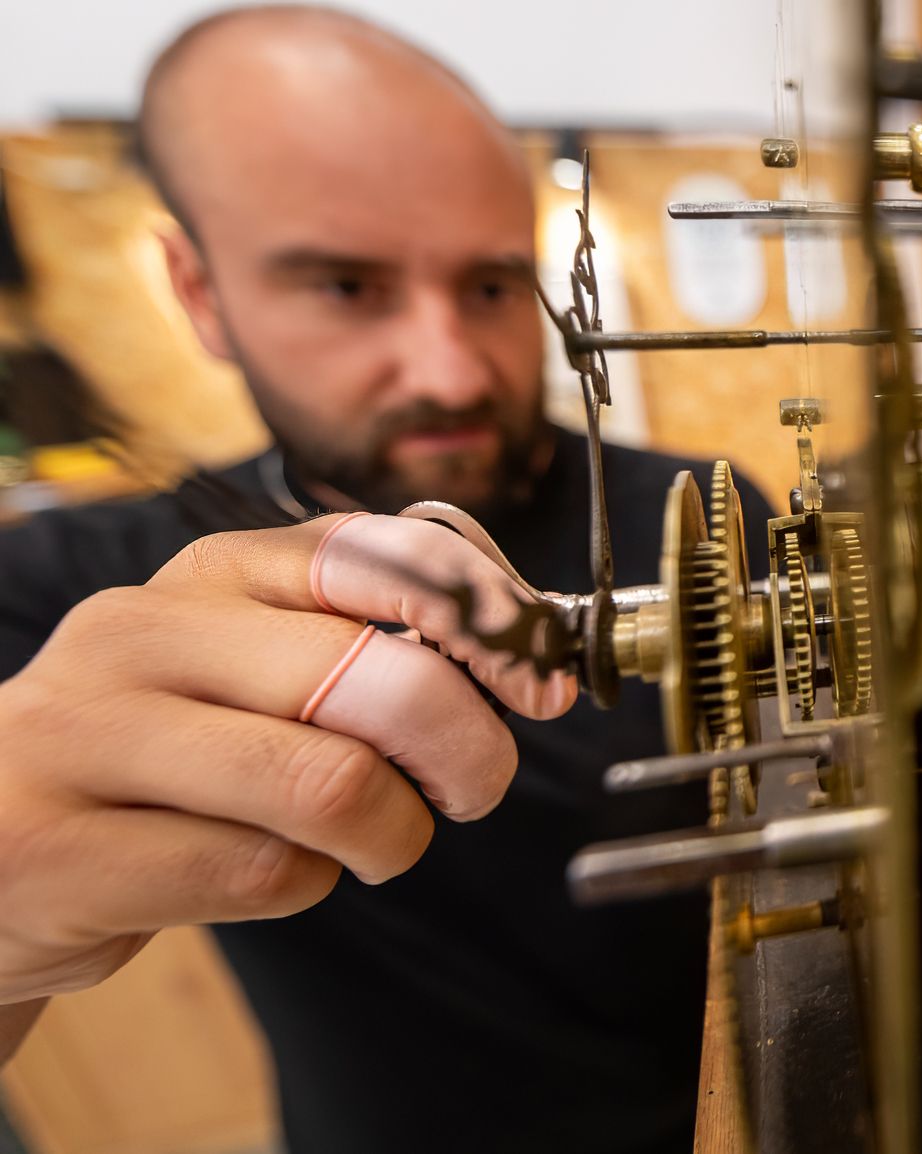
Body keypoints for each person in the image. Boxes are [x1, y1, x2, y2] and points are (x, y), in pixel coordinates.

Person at [0, 7, 773, 1152]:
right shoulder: (68, 587)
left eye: (496, 286)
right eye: (350, 288)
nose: (451, 367)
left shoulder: (709, 512)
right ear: (200, 291)